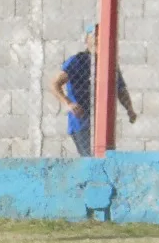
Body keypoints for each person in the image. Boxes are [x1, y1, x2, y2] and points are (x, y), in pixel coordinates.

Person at [50, 25, 138, 157]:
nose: (98, 38)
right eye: (95, 35)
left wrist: (129, 109)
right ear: (87, 40)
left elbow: (120, 89)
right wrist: (68, 103)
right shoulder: (78, 61)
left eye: (102, 35)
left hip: (104, 123)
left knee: (105, 158)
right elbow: (54, 84)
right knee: (91, 158)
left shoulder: (110, 64)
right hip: (82, 122)